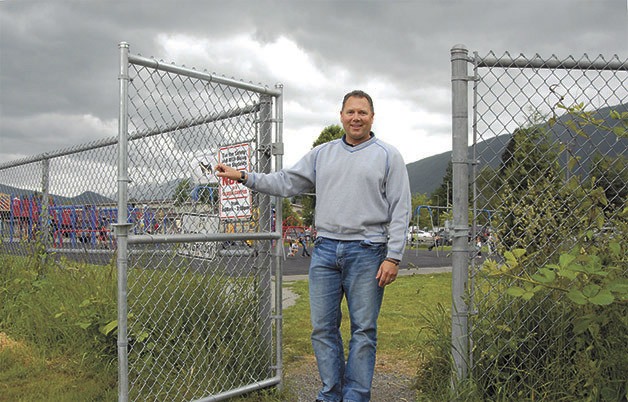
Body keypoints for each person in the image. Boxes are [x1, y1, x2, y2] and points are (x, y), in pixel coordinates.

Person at [216, 90, 411, 402]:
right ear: (341, 116)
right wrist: (243, 176)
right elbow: (285, 181)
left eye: (362, 112)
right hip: (325, 252)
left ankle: (356, 396)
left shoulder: (389, 156)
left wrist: (394, 256)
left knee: (363, 331)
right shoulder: (323, 154)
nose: (356, 117)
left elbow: (401, 209)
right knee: (322, 329)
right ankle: (330, 394)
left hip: (368, 252)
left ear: (372, 117)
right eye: (350, 112)